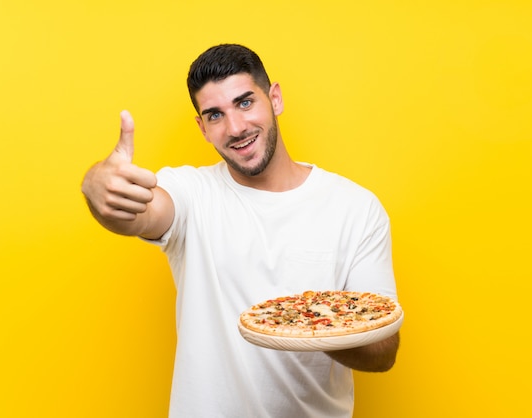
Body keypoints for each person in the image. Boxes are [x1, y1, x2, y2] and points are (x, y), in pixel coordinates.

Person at [81, 43, 400, 418]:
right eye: (215, 115)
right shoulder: (191, 192)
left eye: (245, 102)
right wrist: (98, 185)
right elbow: (141, 213)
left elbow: (383, 351)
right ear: (202, 128)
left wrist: (303, 321)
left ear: (275, 99)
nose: (235, 128)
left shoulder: (356, 209)